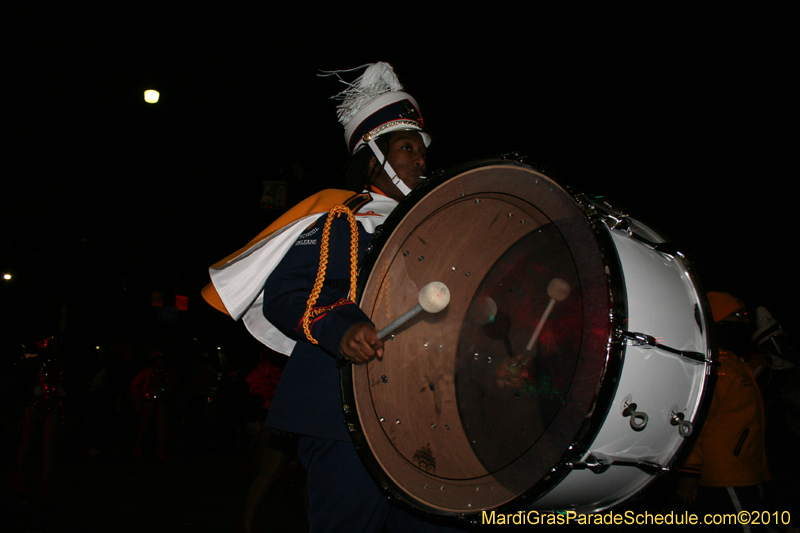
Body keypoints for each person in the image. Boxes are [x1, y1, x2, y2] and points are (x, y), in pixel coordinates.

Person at [203, 62, 461, 532]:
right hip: (343, 414)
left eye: (423, 150)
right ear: (373, 159)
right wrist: (342, 330)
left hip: (427, 416)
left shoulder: (438, 228)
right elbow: (289, 294)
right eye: (408, 148)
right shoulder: (336, 217)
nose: (421, 159)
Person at [676, 292, 769, 530]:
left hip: (745, 471)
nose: (745, 323)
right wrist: (690, 471)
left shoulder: (732, 362)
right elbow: (697, 420)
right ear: (717, 320)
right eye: (737, 316)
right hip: (725, 475)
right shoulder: (716, 367)